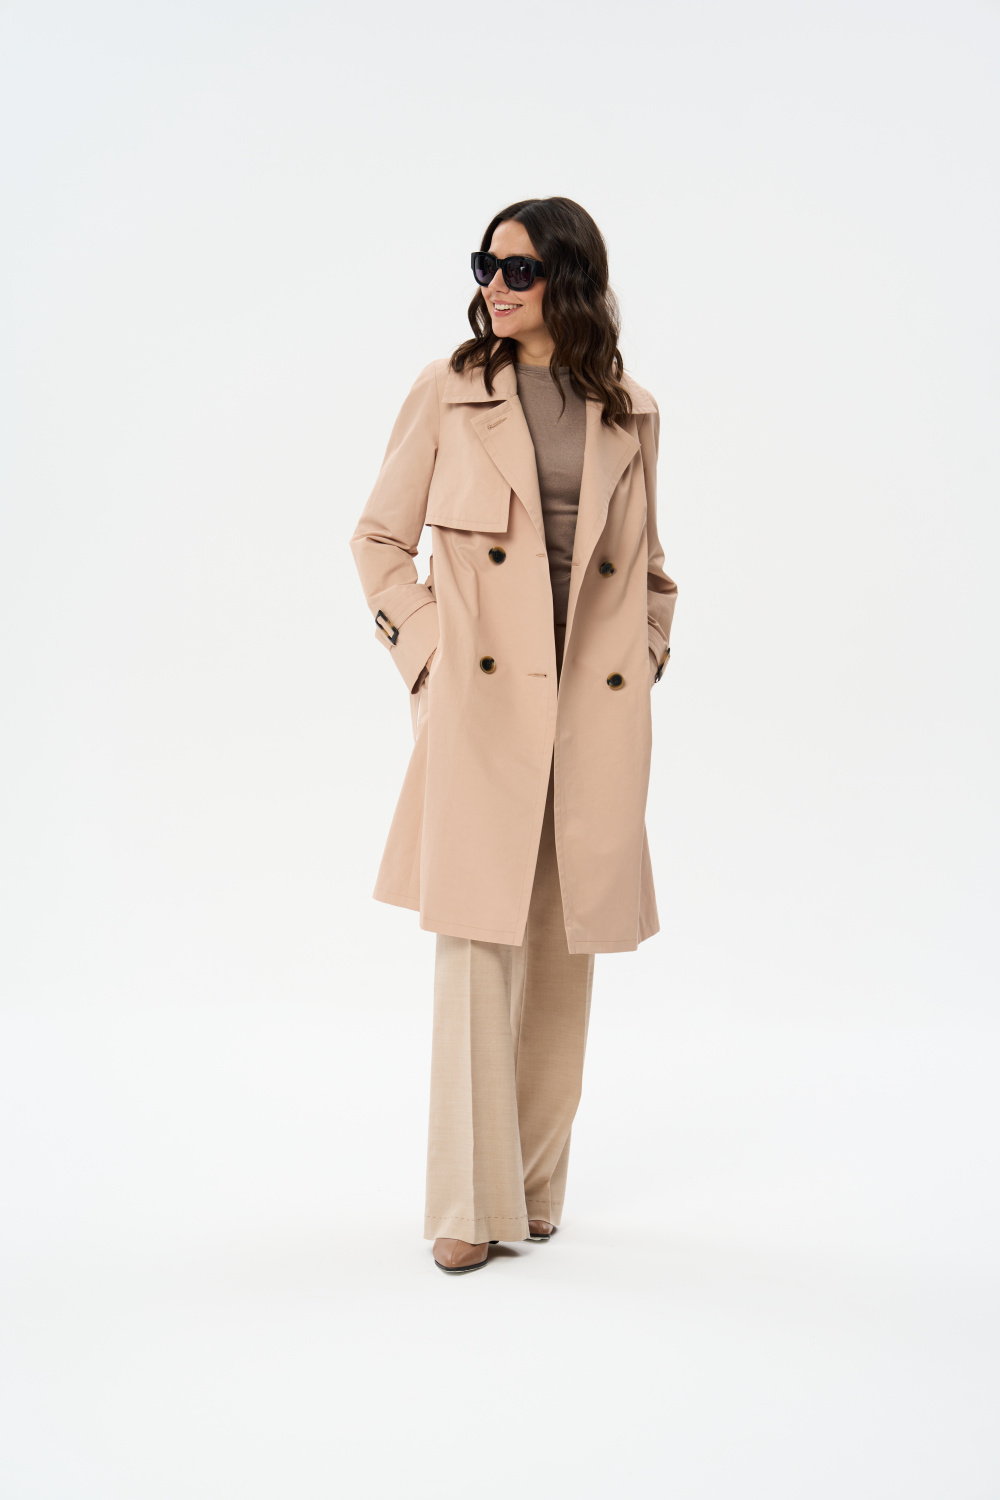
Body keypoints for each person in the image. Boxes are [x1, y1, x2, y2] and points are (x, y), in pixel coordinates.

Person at [349, 196, 677, 1274]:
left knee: (562, 944)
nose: (494, 285)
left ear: (567, 281)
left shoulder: (629, 410)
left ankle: (532, 1191)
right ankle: (465, 1201)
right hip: (482, 702)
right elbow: (378, 540)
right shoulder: (449, 392)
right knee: (475, 941)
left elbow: (652, 571)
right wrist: (428, 655)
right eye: (486, 265)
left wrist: (647, 656)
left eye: (519, 270)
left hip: (590, 707)